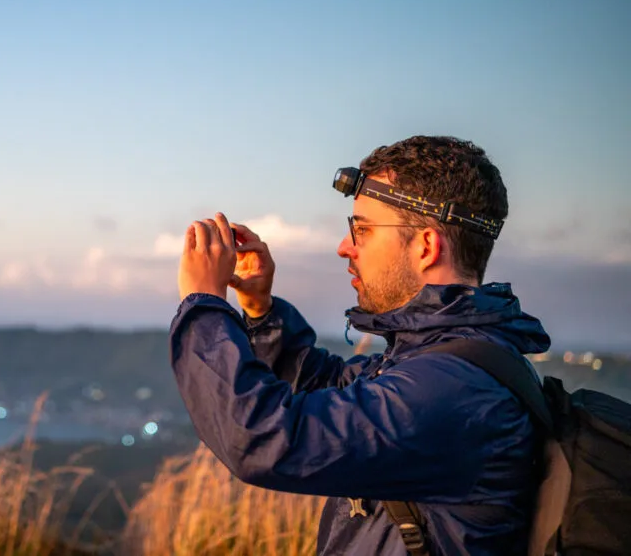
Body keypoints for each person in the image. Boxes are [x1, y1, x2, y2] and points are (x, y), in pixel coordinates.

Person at [170, 135, 550, 556]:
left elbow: (261, 437)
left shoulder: (454, 390)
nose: (345, 247)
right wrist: (260, 309)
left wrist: (203, 303)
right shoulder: (435, 359)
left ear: (426, 246)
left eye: (363, 230)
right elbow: (321, 385)